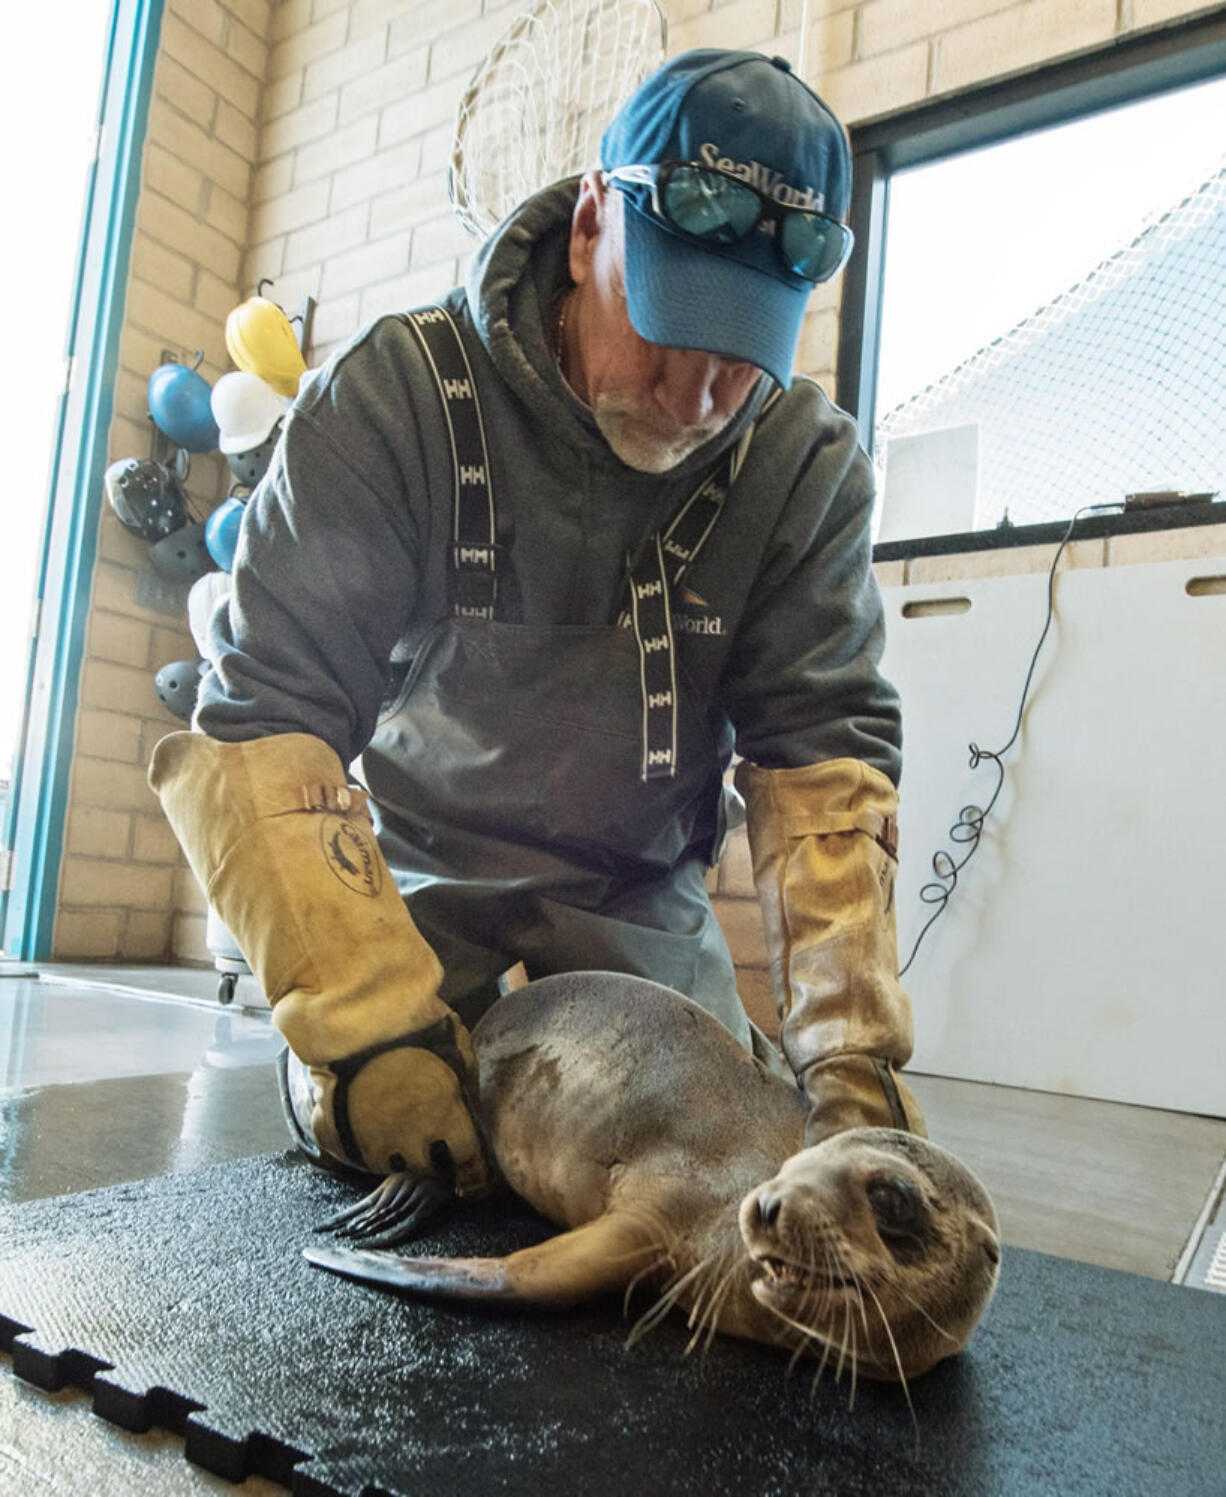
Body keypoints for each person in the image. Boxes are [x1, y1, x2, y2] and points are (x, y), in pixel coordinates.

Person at [150, 48, 925, 1218]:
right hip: (409, 903)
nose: (693, 398)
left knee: (720, 1187)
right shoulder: (393, 399)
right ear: (588, 229)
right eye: (664, 331)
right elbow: (267, 718)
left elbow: (824, 758)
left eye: (737, 359)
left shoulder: (801, 465)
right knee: (382, 1136)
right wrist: (363, 1035)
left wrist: (852, 1073)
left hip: (643, 919)